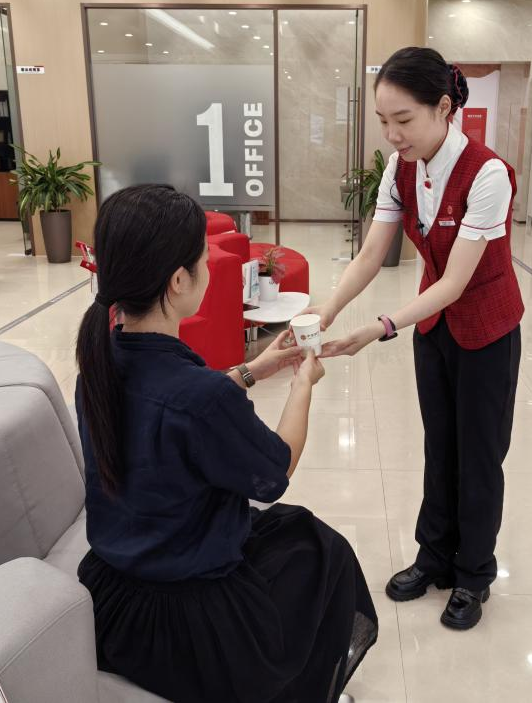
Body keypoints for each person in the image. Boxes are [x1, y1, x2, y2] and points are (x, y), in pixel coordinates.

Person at [74, 184, 377, 702]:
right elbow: (276, 469)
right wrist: (302, 383)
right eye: (203, 259)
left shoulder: (98, 368)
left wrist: (253, 370)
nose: (211, 270)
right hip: (190, 621)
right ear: (178, 281)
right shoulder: (201, 396)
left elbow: (173, 410)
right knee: (325, 553)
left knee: (294, 535)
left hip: (115, 598)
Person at [306, 47, 523, 631]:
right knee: (439, 445)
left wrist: (378, 327)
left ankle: (473, 573)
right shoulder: (401, 170)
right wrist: (328, 310)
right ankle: (434, 556)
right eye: (384, 120)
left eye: (403, 119)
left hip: (487, 329)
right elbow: (372, 253)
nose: (392, 134)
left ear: (443, 107)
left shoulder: (488, 174)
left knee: (479, 455)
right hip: (434, 327)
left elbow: (455, 282)